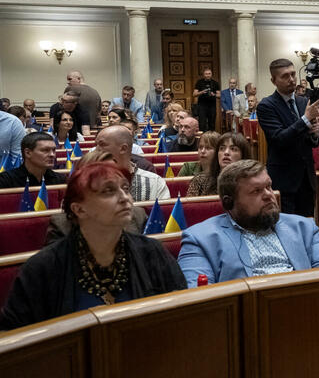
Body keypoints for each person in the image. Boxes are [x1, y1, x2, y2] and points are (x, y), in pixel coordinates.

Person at [0, 162, 186, 330]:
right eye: (108, 191)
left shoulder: (151, 252)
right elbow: (15, 338)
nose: (124, 198)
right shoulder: (43, 267)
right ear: (79, 209)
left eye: (125, 189)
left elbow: (182, 315)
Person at [177, 160, 319, 286]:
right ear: (229, 202)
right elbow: (199, 296)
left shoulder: (303, 227)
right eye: (256, 191)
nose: (269, 195)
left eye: (268, 186)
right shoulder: (200, 240)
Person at [256, 58, 319, 218]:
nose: (292, 79)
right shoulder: (266, 105)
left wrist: (314, 133)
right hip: (283, 178)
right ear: (274, 80)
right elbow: (279, 139)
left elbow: (311, 142)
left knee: (306, 225)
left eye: (293, 74)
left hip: (306, 178)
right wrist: (306, 120)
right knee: (285, 228)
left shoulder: (302, 102)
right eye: (285, 76)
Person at [95, 125, 171, 201]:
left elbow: (161, 212)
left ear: (123, 149)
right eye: (96, 145)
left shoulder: (155, 183)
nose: (96, 150)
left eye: (102, 145)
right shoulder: (91, 181)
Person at [186, 132, 251, 196]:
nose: (226, 153)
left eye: (233, 149)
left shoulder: (251, 183)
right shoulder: (199, 181)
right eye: (222, 148)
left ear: (243, 155)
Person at [0, 131, 66, 188]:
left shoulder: (60, 180)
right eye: (45, 150)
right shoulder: (5, 181)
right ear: (28, 153)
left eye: (54, 150)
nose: (52, 155)